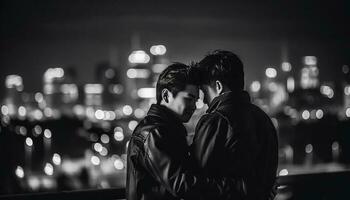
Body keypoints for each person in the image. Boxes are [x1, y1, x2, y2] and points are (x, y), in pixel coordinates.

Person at [126, 63, 246, 200]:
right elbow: (181, 184)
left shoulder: (168, 130)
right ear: (166, 96)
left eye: (196, 100)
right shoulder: (153, 133)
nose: (194, 106)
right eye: (189, 99)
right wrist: (237, 188)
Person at [191, 50, 278, 200]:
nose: (203, 99)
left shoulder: (216, 120)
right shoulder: (263, 118)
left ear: (218, 86)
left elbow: (197, 175)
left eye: (204, 91)